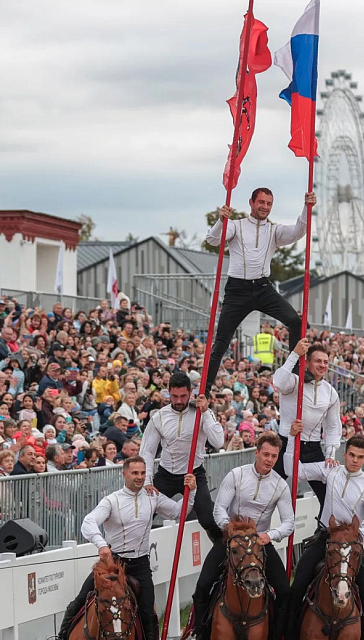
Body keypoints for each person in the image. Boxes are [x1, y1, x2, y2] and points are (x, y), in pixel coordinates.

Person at [42, 457, 195, 640]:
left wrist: (190, 492)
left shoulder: (153, 496)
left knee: (149, 613)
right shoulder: (111, 500)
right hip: (114, 562)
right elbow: (88, 522)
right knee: (80, 600)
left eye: (143, 473)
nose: (140, 477)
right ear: (124, 474)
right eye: (135, 473)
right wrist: (101, 544)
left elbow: (176, 512)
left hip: (141, 563)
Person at [188, 432, 294, 640]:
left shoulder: (280, 485)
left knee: (286, 592)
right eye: (265, 454)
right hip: (232, 542)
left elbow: (289, 522)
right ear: (256, 452)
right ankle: (200, 639)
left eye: (274, 456)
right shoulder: (236, 475)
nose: (269, 459)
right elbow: (219, 510)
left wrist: (269, 536)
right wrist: (232, 531)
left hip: (260, 544)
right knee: (203, 587)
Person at [286, 435, 364, 640]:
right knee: (296, 586)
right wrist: (293, 437)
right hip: (325, 538)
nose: (354, 460)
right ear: (344, 454)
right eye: (351, 455)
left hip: (351, 544)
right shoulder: (330, 471)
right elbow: (295, 471)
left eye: (360, 457)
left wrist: (355, 537)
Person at [203, 188, 316, 385]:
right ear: (251, 202)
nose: (265, 207)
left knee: (296, 321)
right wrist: (221, 220)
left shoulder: (273, 231)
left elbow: (299, 231)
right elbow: (212, 240)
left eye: (269, 203)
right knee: (221, 342)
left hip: (263, 288)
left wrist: (307, 208)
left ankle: (296, 371)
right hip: (237, 290)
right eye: (261, 202)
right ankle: (204, 391)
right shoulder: (235, 226)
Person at [140, 371, 224, 541]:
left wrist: (206, 412)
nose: (179, 401)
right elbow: (147, 451)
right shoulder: (159, 416)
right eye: (174, 396)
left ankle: (223, 551)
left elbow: (218, 442)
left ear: (191, 392)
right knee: (142, 513)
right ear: (168, 392)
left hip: (194, 473)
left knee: (208, 519)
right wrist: (147, 481)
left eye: (183, 396)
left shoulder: (200, 413)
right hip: (166, 474)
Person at [272, 338, 341, 508]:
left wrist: (331, 455)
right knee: (269, 492)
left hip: (313, 449)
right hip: (286, 444)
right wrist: (295, 354)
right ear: (307, 362)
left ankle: (323, 532)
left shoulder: (331, 392)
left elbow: (332, 426)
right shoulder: (294, 382)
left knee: (329, 497)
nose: (322, 365)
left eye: (326, 362)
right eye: (318, 361)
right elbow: (278, 382)